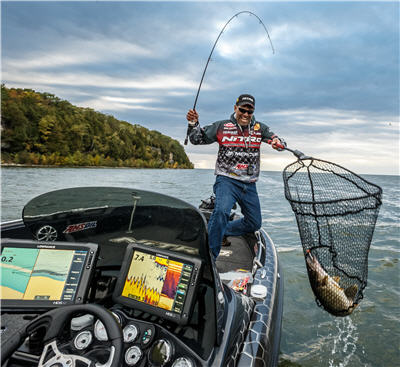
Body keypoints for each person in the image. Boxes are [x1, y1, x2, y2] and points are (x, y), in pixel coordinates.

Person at [186, 94, 286, 259]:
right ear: (235, 108)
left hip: (249, 184)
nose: (246, 114)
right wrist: (192, 123)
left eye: (250, 111)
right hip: (227, 180)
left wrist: (277, 143)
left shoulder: (260, 128)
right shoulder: (221, 126)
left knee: (254, 223)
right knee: (221, 211)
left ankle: (219, 231)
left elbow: (278, 141)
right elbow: (197, 139)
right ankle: (209, 258)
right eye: (242, 110)